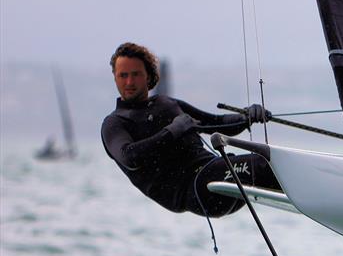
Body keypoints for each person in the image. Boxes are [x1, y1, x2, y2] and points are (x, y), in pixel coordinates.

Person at [101, 42, 281, 220]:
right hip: (196, 190)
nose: (129, 82)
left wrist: (247, 116)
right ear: (115, 78)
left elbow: (216, 123)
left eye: (136, 74)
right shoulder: (115, 123)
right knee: (265, 163)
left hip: (217, 177)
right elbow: (129, 157)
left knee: (273, 162)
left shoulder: (166, 104)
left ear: (148, 76)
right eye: (123, 75)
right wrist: (172, 131)